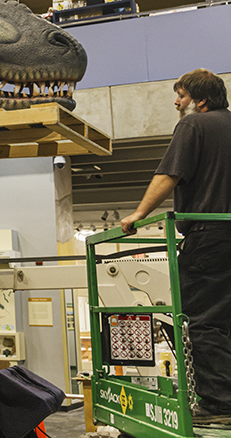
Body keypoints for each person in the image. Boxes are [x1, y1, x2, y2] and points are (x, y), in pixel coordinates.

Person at [119, 69, 231, 425]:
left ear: (200, 100)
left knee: (199, 321)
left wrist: (139, 213)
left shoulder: (193, 125)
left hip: (210, 237)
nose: (176, 103)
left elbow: (170, 174)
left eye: (181, 96)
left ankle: (220, 405)